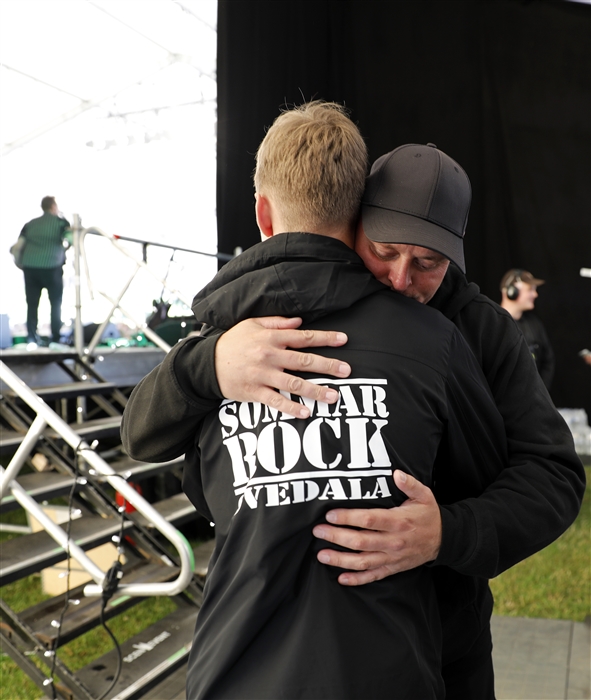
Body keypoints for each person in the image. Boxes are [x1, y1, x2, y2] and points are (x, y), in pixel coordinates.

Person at [122, 104, 509, 699]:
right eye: (391, 255)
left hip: (238, 671)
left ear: (263, 213)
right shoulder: (219, 349)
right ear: (358, 213)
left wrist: (444, 532)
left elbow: (195, 485)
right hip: (391, 673)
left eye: (427, 264)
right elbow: (481, 469)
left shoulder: (218, 337)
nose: (404, 277)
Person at [17, 196, 71, 345]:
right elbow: (70, 239)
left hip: (30, 268)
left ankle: (32, 339)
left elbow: (17, 247)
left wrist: (19, 263)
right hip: (52, 267)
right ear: (53, 207)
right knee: (55, 303)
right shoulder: (60, 222)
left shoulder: (30, 224)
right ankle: (55, 339)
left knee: (32, 304)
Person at [499, 268, 555, 388]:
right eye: (530, 289)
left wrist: (540, 393)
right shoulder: (493, 324)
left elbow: (548, 361)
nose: (535, 294)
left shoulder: (534, 324)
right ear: (511, 291)